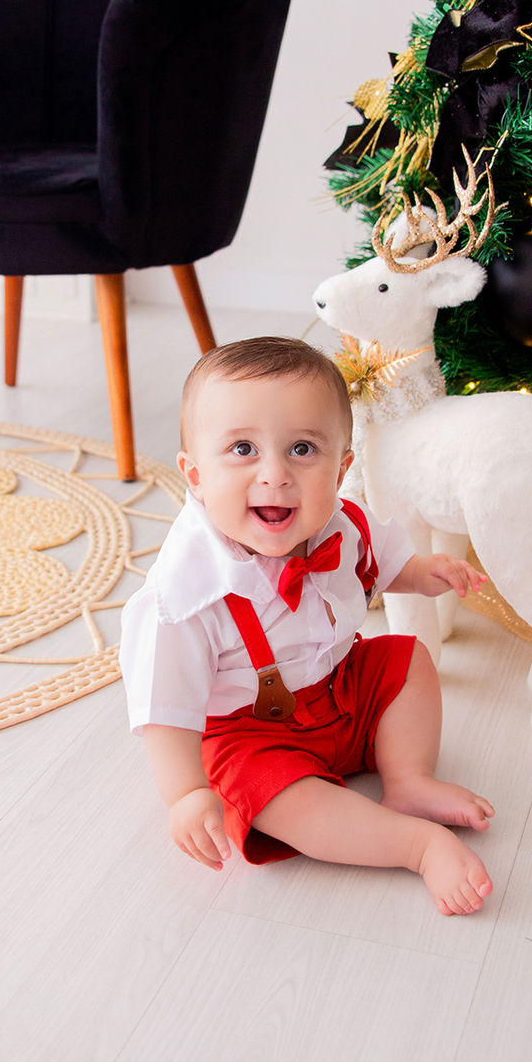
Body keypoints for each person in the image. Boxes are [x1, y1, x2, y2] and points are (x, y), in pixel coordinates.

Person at [120, 336, 495, 915]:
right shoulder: (184, 599)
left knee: (406, 660)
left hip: (339, 690)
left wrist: (424, 572)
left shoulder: (342, 525)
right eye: (243, 448)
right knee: (276, 797)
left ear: (342, 467)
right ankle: (415, 846)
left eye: (301, 449)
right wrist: (187, 795)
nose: (275, 475)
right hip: (251, 733)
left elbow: (382, 563)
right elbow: (165, 714)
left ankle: (409, 778)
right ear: (195, 475)